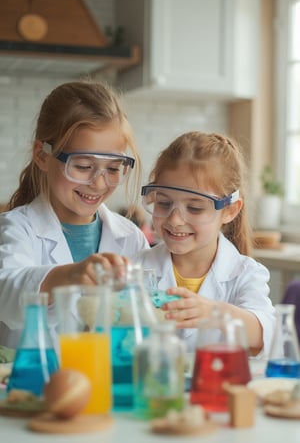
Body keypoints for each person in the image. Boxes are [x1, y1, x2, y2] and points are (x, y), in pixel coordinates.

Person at [0, 80, 149, 348]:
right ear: (42, 156)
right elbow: (7, 295)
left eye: (113, 169)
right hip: (34, 386)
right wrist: (68, 276)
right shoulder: (17, 228)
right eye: (82, 166)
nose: (99, 183)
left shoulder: (130, 239)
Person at [133, 131, 275, 356]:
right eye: (163, 203)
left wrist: (215, 313)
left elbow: (263, 334)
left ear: (229, 210)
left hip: (216, 387)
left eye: (195, 208)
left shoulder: (246, 274)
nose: (175, 220)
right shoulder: (135, 268)